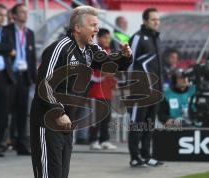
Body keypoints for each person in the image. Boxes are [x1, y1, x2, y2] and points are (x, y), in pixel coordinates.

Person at [30, 6, 132, 178]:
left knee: (61, 174)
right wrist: (58, 112)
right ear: (77, 28)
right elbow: (43, 84)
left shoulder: (91, 49)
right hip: (48, 120)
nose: (97, 29)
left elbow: (110, 66)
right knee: (49, 174)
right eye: (93, 25)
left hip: (69, 121)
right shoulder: (59, 48)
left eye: (97, 25)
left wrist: (125, 57)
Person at [128, 7, 163, 167]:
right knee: (137, 124)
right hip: (140, 91)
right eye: (153, 19)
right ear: (145, 21)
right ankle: (135, 157)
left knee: (149, 125)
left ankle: (147, 156)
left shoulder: (157, 38)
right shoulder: (137, 38)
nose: (157, 22)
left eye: (158, 19)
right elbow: (129, 63)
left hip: (155, 91)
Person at [6, 3, 37, 155]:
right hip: (8, 76)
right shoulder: (6, 31)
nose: (25, 14)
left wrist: (34, 78)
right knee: (4, 111)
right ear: (14, 15)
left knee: (22, 112)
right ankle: (1, 142)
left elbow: (31, 57)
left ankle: (21, 144)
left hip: (23, 76)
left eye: (26, 12)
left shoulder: (29, 33)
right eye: (22, 12)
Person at [0, 3, 16, 157]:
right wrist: (4, 49)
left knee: (2, 114)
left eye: (4, 16)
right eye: (0, 15)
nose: (2, 18)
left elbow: (11, 48)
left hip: (5, 77)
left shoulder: (7, 32)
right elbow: (7, 49)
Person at [88, 28, 117, 150]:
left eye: (109, 38)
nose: (107, 40)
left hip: (107, 91)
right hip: (95, 90)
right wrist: (102, 76)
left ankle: (104, 140)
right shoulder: (93, 52)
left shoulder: (110, 53)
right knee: (95, 117)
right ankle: (93, 140)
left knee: (107, 116)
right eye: (105, 37)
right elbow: (89, 72)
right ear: (98, 38)